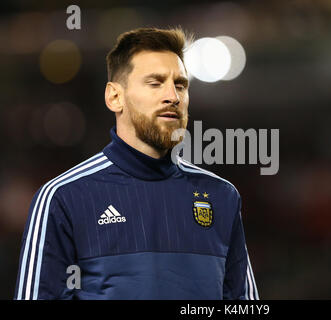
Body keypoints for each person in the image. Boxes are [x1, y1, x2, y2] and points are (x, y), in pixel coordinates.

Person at [14, 27, 259, 300]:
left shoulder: (222, 196)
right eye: (155, 83)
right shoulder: (63, 197)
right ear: (115, 97)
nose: (173, 97)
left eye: (180, 85)